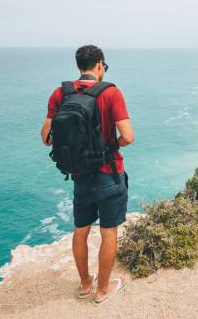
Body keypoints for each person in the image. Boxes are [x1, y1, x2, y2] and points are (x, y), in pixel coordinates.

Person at [40, 45, 134, 305]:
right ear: (100, 64)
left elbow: (46, 138)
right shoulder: (111, 93)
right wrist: (113, 143)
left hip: (80, 175)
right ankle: (102, 290)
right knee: (108, 232)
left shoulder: (60, 93)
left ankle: (84, 284)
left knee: (80, 231)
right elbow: (128, 136)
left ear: (79, 65)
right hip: (108, 174)